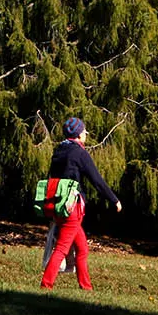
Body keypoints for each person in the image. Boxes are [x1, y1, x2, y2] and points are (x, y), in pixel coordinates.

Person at [40, 116, 120, 290]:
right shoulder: (79, 153)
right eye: (84, 131)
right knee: (61, 248)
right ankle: (46, 285)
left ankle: (86, 287)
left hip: (58, 204)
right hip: (73, 207)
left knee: (82, 248)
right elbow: (97, 180)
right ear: (78, 134)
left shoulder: (59, 150)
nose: (85, 134)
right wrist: (114, 200)